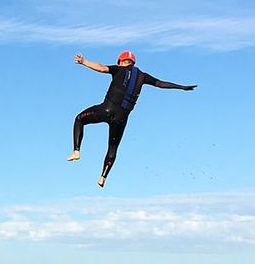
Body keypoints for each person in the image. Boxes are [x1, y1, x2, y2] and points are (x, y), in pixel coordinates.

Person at [68, 50, 196, 187]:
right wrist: (182, 87)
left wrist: (84, 62)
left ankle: (76, 151)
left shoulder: (118, 69)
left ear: (121, 62)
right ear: (133, 63)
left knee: (79, 119)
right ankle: (103, 177)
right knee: (112, 148)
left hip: (106, 110)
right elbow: (161, 83)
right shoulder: (143, 76)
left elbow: (101, 68)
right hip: (121, 119)